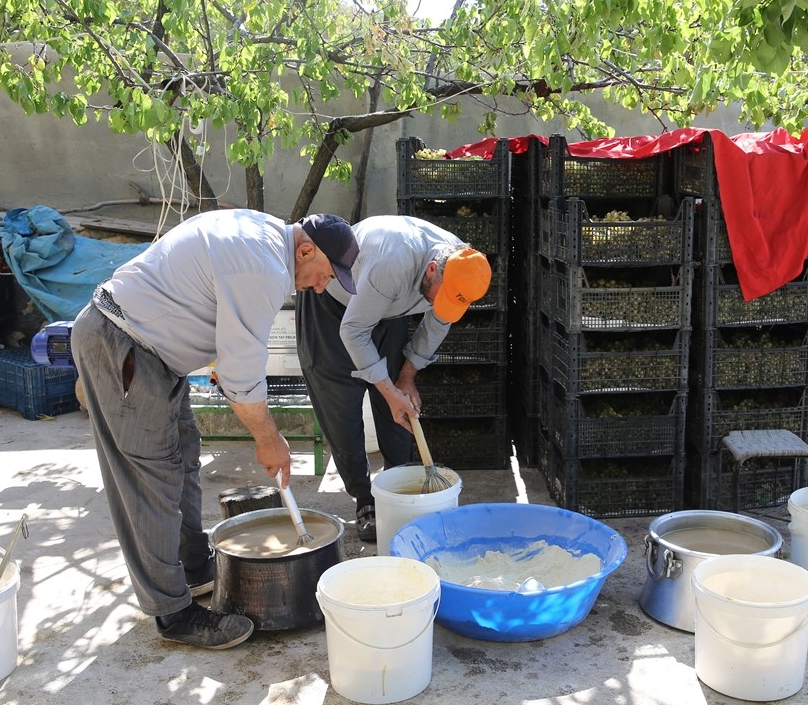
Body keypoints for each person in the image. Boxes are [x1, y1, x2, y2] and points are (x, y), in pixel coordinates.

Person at [70, 210, 359, 650]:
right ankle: (173, 613)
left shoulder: (264, 236)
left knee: (183, 456)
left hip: (151, 351)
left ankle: (192, 565)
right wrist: (269, 437)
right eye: (326, 274)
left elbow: (210, 308)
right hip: (124, 346)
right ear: (305, 250)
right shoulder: (261, 267)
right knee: (151, 479)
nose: (323, 285)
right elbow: (243, 375)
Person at [295, 214, 492, 543]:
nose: (438, 304)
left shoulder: (460, 267)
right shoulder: (393, 262)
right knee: (341, 411)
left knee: (400, 411)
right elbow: (354, 331)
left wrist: (406, 377)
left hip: (389, 308)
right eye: (437, 295)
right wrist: (386, 389)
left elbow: (438, 321)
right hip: (333, 304)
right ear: (431, 270)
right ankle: (365, 500)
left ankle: (399, 488)